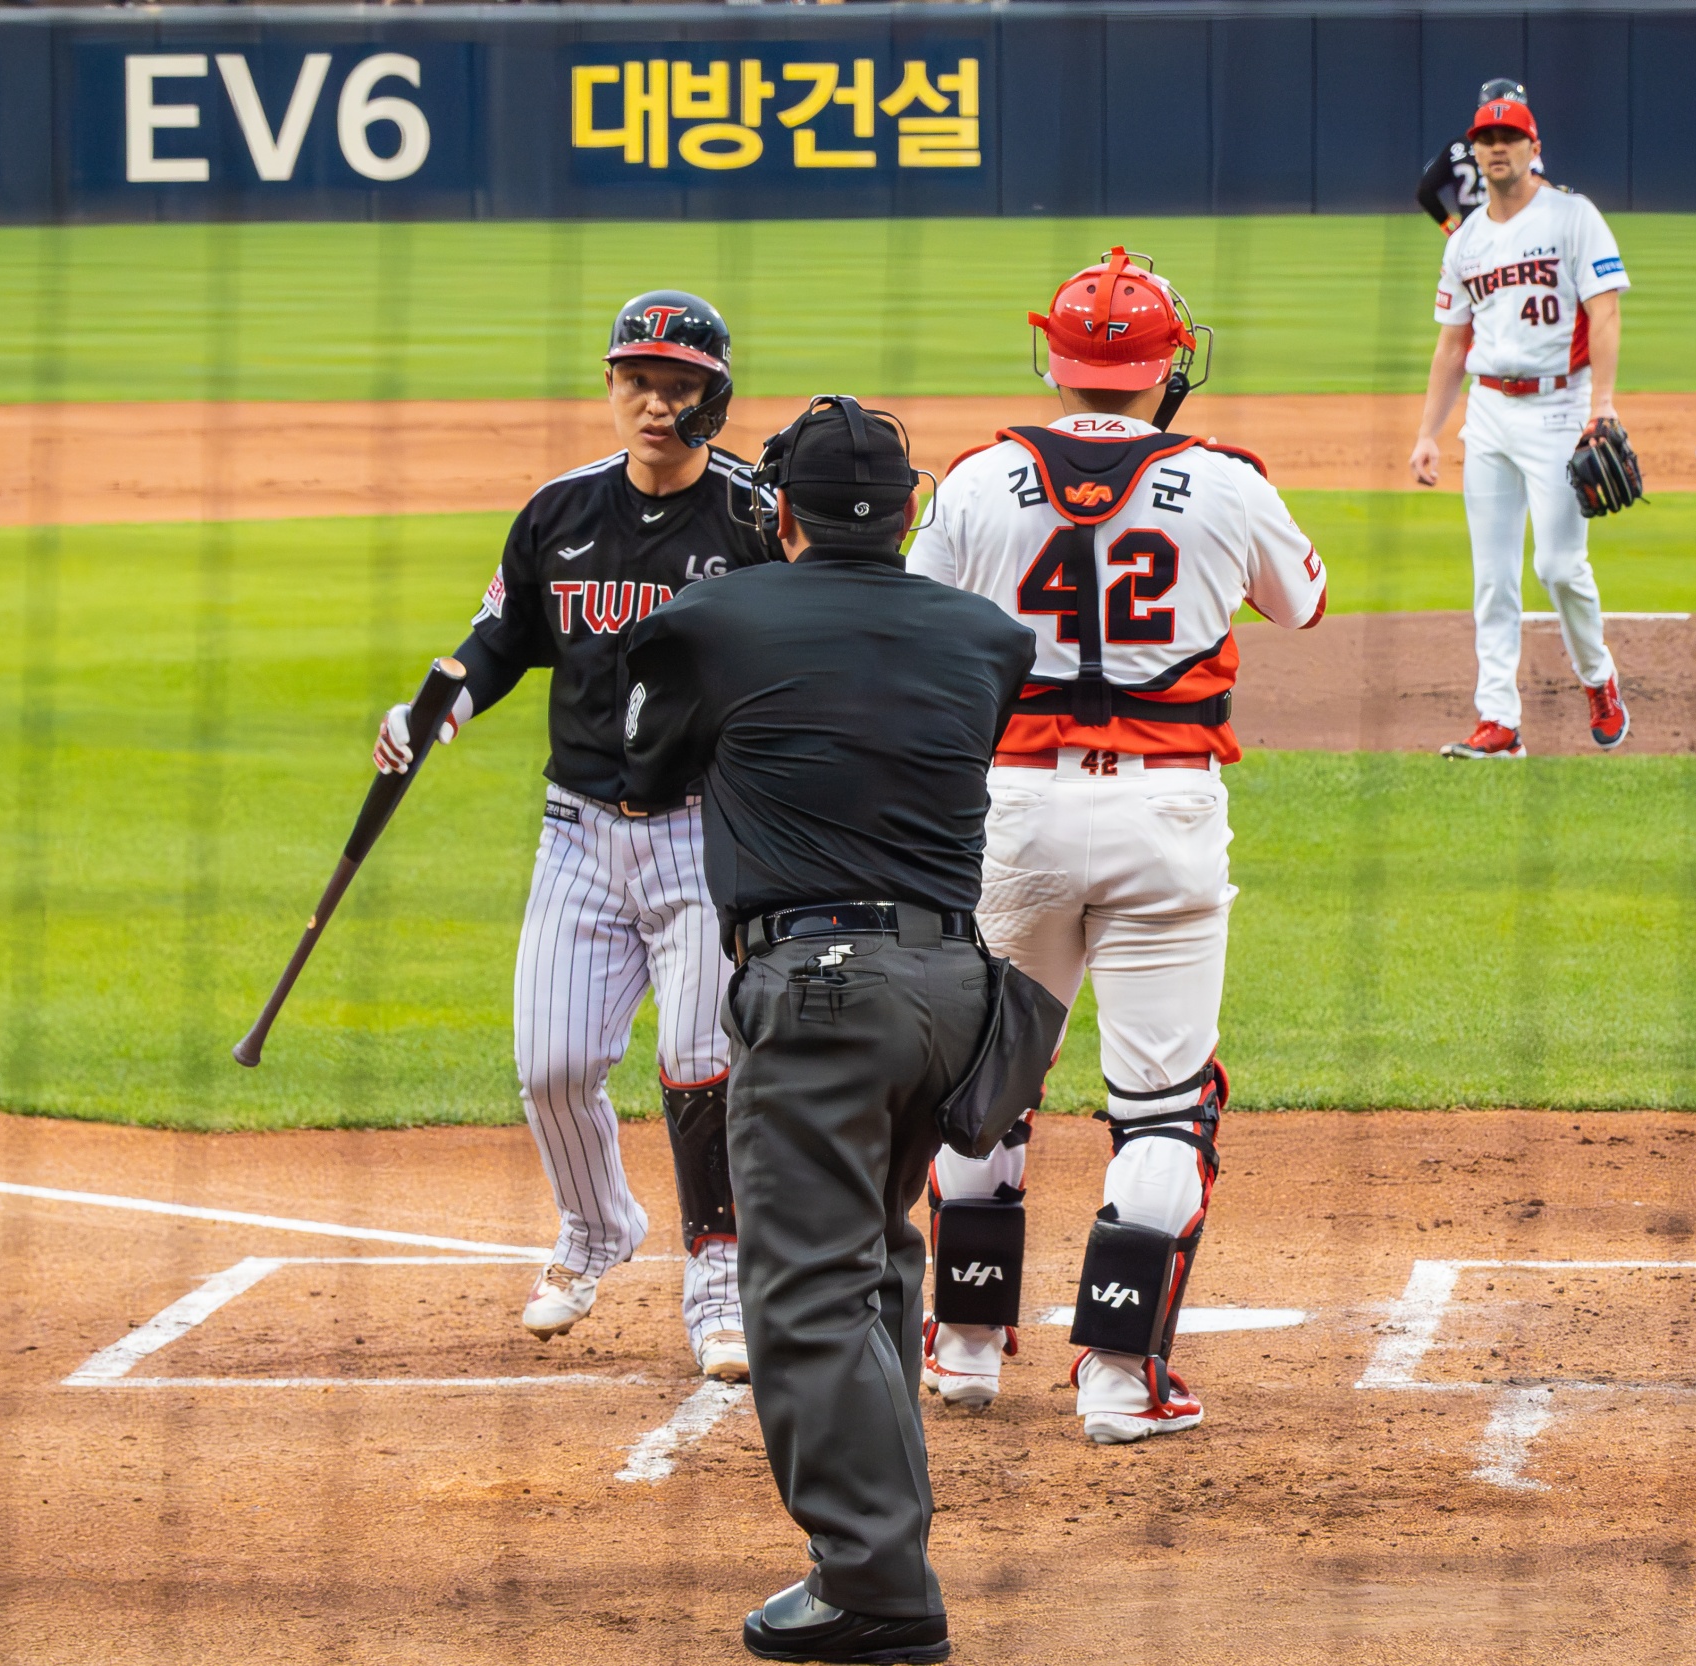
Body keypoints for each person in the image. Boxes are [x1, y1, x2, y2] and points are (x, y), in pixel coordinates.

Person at [620, 396, 1035, 1665]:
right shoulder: (988, 635)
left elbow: (643, 777)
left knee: (803, 1286)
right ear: (909, 510)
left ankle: (877, 1587)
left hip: (816, 997)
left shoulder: (711, 619)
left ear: (779, 511)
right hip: (954, 994)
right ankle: (876, 1553)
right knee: (877, 1256)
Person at [907, 249, 1329, 1443]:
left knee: (988, 1089)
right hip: (1164, 819)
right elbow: (1302, 603)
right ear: (1167, 368)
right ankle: (1116, 1377)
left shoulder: (977, 479)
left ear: (1051, 360)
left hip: (1012, 816)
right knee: (1160, 1110)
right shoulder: (1225, 481)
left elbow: (921, 623)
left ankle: (964, 1350)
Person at [373, 291, 773, 1381]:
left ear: (715, 397)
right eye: (637, 381)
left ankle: (720, 1288)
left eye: (681, 386)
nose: (656, 404)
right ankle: (597, 1228)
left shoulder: (753, 521)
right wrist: (434, 711)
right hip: (579, 835)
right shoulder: (560, 512)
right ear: (609, 385)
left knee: (701, 1064)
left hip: (706, 834)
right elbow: (498, 641)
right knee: (551, 1066)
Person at [1409, 95, 1632, 759]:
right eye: (1486, 138)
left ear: (1534, 148)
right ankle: (1499, 720)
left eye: (1509, 137)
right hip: (1488, 413)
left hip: (1560, 407)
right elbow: (1452, 345)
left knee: (1559, 567)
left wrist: (1603, 405)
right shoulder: (1466, 240)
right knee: (1493, 577)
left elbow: (1606, 311)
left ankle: (1598, 678)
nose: (1497, 147)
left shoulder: (1572, 216)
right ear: (1475, 152)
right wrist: (1427, 433)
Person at [1415, 77, 1544, 232]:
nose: (1498, 148)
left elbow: (1425, 192)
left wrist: (1450, 227)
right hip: (1515, 229)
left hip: (1471, 234)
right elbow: (1539, 185)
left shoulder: (1457, 148)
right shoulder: (1520, 147)